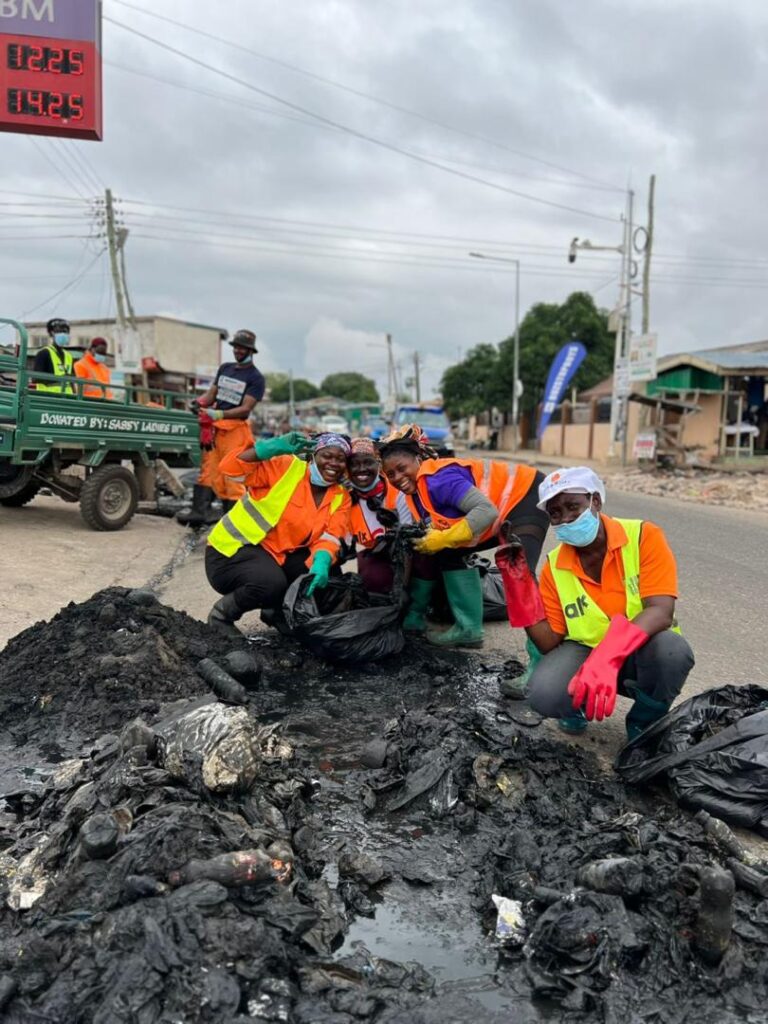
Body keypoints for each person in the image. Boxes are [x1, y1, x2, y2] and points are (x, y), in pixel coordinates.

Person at [495, 466, 694, 739]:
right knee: (543, 693)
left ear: (595, 501)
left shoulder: (643, 536)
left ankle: (644, 723)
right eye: (556, 513)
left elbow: (661, 611)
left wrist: (606, 659)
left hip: (640, 650)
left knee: (672, 650)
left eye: (573, 506)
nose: (566, 518)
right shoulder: (555, 566)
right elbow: (547, 641)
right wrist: (519, 588)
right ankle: (577, 705)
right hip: (585, 650)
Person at [378, 424, 549, 650]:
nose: (398, 477)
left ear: (418, 459)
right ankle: (468, 630)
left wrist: (444, 538)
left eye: (402, 468)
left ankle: (539, 657)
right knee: (447, 553)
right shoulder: (416, 493)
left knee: (520, 572)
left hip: (527, 496)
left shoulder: (437, 479)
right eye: (391, 474)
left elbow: (486, 512)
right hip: (501, 509)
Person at [205, 431, 352, 634]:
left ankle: (275, 612)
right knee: (270, 583)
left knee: (327, 575)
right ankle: (221, 616)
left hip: (275, 555)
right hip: (231, 551)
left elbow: (330, 536)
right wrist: (269, 448)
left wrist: (322, 562)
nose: (333, 463)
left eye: (341, 459)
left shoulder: (340, 496)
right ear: (313, 456)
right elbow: (229, 469)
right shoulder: (286, 468)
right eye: (327, 456)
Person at [178, 329, 265, 527]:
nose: (238, 351)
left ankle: (233, 521)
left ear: (250, 350)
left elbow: (245, 408)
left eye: (242, 348)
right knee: (209, 471)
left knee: (233, 476)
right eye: (236, 347)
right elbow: (212, 395)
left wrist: (219, 414)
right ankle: (199, 512)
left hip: (236, 431)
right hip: (217, 430)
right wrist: (199, 402)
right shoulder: (225, 368)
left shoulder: (255, 377)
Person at [347, 437, 418, 593]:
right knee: (374, 580)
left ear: (378, 465)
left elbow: (411, 536)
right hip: (376, 556)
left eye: (368, 462)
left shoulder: (398, 487)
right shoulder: (345, 499)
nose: (361, 469)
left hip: (409, 553)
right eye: (354, 464)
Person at [32, 317, 75, 394]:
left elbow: (71, 382)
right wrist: (59, 379)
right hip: (49, 399)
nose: (64, 334)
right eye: (60, 331)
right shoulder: (44, 353)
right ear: (52, 333)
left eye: (66, 332)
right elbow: (35, 378)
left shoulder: (69, 356)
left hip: (67, 400)